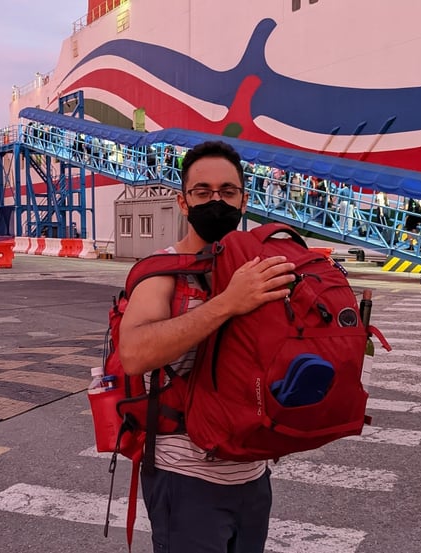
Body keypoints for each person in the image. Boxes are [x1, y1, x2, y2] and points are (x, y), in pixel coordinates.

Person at [118, 141, 295, 553]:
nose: (216, 201)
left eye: (228, 191)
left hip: (252, 472)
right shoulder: (162, 271)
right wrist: (228, 302)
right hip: (185, 479)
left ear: (244, 200)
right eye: (203, 192)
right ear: (183, 202)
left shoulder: (261, 267)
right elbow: (134, 354)